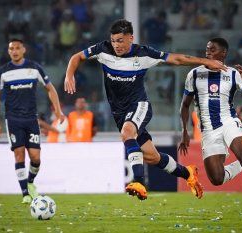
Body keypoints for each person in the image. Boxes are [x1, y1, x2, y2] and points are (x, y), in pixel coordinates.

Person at [64, 19, 226, 200]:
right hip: (119, 113)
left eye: (120, 40)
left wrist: (205, 62)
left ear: (130, 38)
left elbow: (178, 59)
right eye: (113, 40)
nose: (116, 45)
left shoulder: (144, 54)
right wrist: (69, 75)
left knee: (127, 133)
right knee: (152, 157)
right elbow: (76, 57)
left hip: (139, 105)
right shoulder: (103, 49)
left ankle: (139, 182)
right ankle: (188, 174)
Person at [179, 37, 242, 218]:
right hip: (208, 130)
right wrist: (184, 131)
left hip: (229, 121)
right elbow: (184, 105)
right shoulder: (194, 74)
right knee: (216, 179)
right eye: (207, 49)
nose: (208, 53)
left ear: (223, 54)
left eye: (212, 50)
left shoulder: (233, 74)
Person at [0, 38, 64, 204]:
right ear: (9, 51)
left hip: (31, 119)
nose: (15, 51)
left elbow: (50, 88)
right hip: (13, 119)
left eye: (17, 48)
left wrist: (58, 111)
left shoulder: (34, 68)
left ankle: (30, 182)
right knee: (19, 154)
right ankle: (25, 193)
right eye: (11, 49)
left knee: (36, 158)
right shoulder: (2, 72)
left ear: (24, 49)